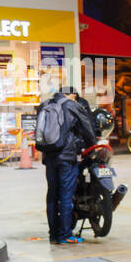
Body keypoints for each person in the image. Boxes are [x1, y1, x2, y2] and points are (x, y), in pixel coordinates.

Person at [41, 87, 96, 245]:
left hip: (49, 156)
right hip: (67, 156)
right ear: (71, 95)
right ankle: (65, 235)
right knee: (66, 194)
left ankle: (53, 235)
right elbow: (87, 129)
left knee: (52, 194)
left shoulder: (45, 105)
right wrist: (92, 145)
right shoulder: (72, 105)